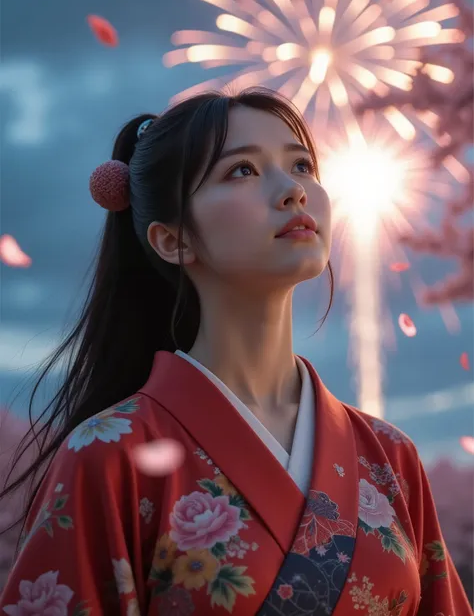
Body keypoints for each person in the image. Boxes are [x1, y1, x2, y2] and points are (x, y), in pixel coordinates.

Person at [0, 88, 470, 616]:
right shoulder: (108, 456)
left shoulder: (389, 457)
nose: (293, 190)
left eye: (302, 165)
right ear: (173, 241)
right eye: (242, 170)